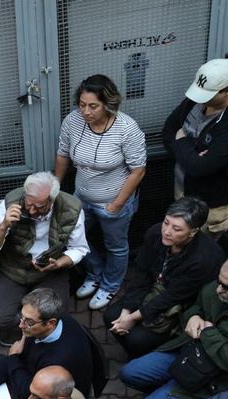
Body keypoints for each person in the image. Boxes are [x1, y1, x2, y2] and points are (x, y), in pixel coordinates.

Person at [55, 75, 147, 311]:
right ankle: (95, 274)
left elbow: (138, 170)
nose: (86, 111)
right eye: (82, 104)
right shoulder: (73, 121)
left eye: (93, 106)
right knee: (72, 237)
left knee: (115, 246)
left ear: (108, 104)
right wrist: (55, 185)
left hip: (114, 201)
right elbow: (63, 153)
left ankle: (110, 285)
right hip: (81, 197)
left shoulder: (127, 128)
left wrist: (117, 204)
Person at [105, 197, 223, 358]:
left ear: (193, 232)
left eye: (177, 229)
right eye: (166, 222)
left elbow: (174, 296)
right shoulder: (155, 233)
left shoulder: (202, 259)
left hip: (183, 303)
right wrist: (127, 311)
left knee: (137, 339)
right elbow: (142, 272)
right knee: (111, 316)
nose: (167, 231)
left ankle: (143, 358)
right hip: (156, 288)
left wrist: (132, 317)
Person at [0, 171, 89, 343]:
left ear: (52, 201)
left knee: (58, 316)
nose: (32, 211)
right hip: (14, 269)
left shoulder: (71, 208)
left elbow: (79, 248)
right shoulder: (11, 202)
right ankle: (34, 329)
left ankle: (36, 333)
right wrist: (4, 225)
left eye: (39, 207)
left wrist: (59, 263)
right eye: (29, 204)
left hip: (50, 271)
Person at [119, 258, 228, 399]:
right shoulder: (215, 289)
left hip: (212, 380)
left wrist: (208, 333)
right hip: (186, 352)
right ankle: (165, 389)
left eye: (226, 287)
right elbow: (196, 306)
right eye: (219, 281)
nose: (218, 289)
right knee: (129, 373)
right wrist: (193, 316)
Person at [163, 58, 228, 237]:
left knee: (202, 245)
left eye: (209, 94)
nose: (201, 98)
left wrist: (182, 141)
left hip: (212, 205)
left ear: (225, 91)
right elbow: (168, 131)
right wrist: (192, 155)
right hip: (183, 191)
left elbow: (200, 167)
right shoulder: (196, 101)